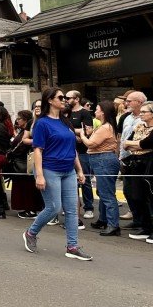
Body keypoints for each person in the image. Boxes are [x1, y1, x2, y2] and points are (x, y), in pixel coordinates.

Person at [22, 87, 92, 261]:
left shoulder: (65, 121)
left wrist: (79, 170)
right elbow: (38, 150)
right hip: (49, 169)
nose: (64, 100)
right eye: (60, 97)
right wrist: (39, 175)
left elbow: (73, 148)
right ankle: (31, 233)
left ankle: (72, 246)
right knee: (54, 207)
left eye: (65, 97)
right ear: (50, 101)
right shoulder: (42, 123)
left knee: (72, 210)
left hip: (68, 170)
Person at [80, 101, 121, 236]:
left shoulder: (105, 127)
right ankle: (104, 220)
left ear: (103, 112)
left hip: (103, 160)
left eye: (97, 109)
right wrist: (91, 132)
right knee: (102, 192)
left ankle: (113, 225)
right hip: (103, 160)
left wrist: (82, 135)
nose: (94, 111)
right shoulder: (106, 126)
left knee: (107, 194)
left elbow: (91, 144)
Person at [121, 101, 153, 242]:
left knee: (150, 198)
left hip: (150, 165)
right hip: (136, 164)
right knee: (137, 196)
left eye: (144, 112)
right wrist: (138, 145)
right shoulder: (139, 126)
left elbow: (146, 143)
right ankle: (146, 227)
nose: (141, 114)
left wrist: (138, 144)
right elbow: (126, 143)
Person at [65, 91, 95, 220]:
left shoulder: (85, 113)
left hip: (82, 152)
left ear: (76, 99)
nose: (65, 100)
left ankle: (89, 207)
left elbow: (88, 130)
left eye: (68, 98)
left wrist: (71, 130)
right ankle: (74, 206)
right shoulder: (67, 112)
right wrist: (75, 132)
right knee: (70, 181)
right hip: (69, 150)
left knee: (85, 180)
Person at [11, 110, 43, 219]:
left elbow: (22, 145)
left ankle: (31, 209)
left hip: (26, 162)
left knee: (28, 187)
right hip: (23, 162)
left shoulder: (29, 132)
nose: (17, 120)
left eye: (19, 118)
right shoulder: (23, 131)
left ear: (25, 120)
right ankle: (29, 208)